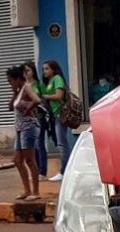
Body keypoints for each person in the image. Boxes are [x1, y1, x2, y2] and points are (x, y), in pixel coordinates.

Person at [7, 65, 42, 201]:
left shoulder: (27, 87)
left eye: (11, 81)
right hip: (20, 128)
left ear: (17, 79)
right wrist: (14, 93)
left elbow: (37, 100)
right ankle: (27, 190)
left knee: (29, 160)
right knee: (17, 160)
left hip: (29, 127)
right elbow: (10, 107)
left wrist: (29, 106)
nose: (10, 84)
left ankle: (36, 191)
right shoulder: (19, 91)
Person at [41, 60, 75, 182]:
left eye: (46, 69)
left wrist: (45, 96)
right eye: (43, 69)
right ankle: (66, 169)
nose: (44, 71)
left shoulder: (57, 78)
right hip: (55, 115)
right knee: (61, 143)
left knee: (62, 144)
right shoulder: (50, 81)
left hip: (61, 114)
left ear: (53, 70)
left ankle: (64, 171)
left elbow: (59, 95)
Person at [23, 61, 49, 181]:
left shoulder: (38, 84)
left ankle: (42, 172)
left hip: (39, 117)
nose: (26, 73)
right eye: (24, 71)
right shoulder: (24, 86)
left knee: (40, 144)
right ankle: (36, 171)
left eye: (28, 70)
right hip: (29, 119)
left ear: (33, 72)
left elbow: (43, 100)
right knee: (33, 146)